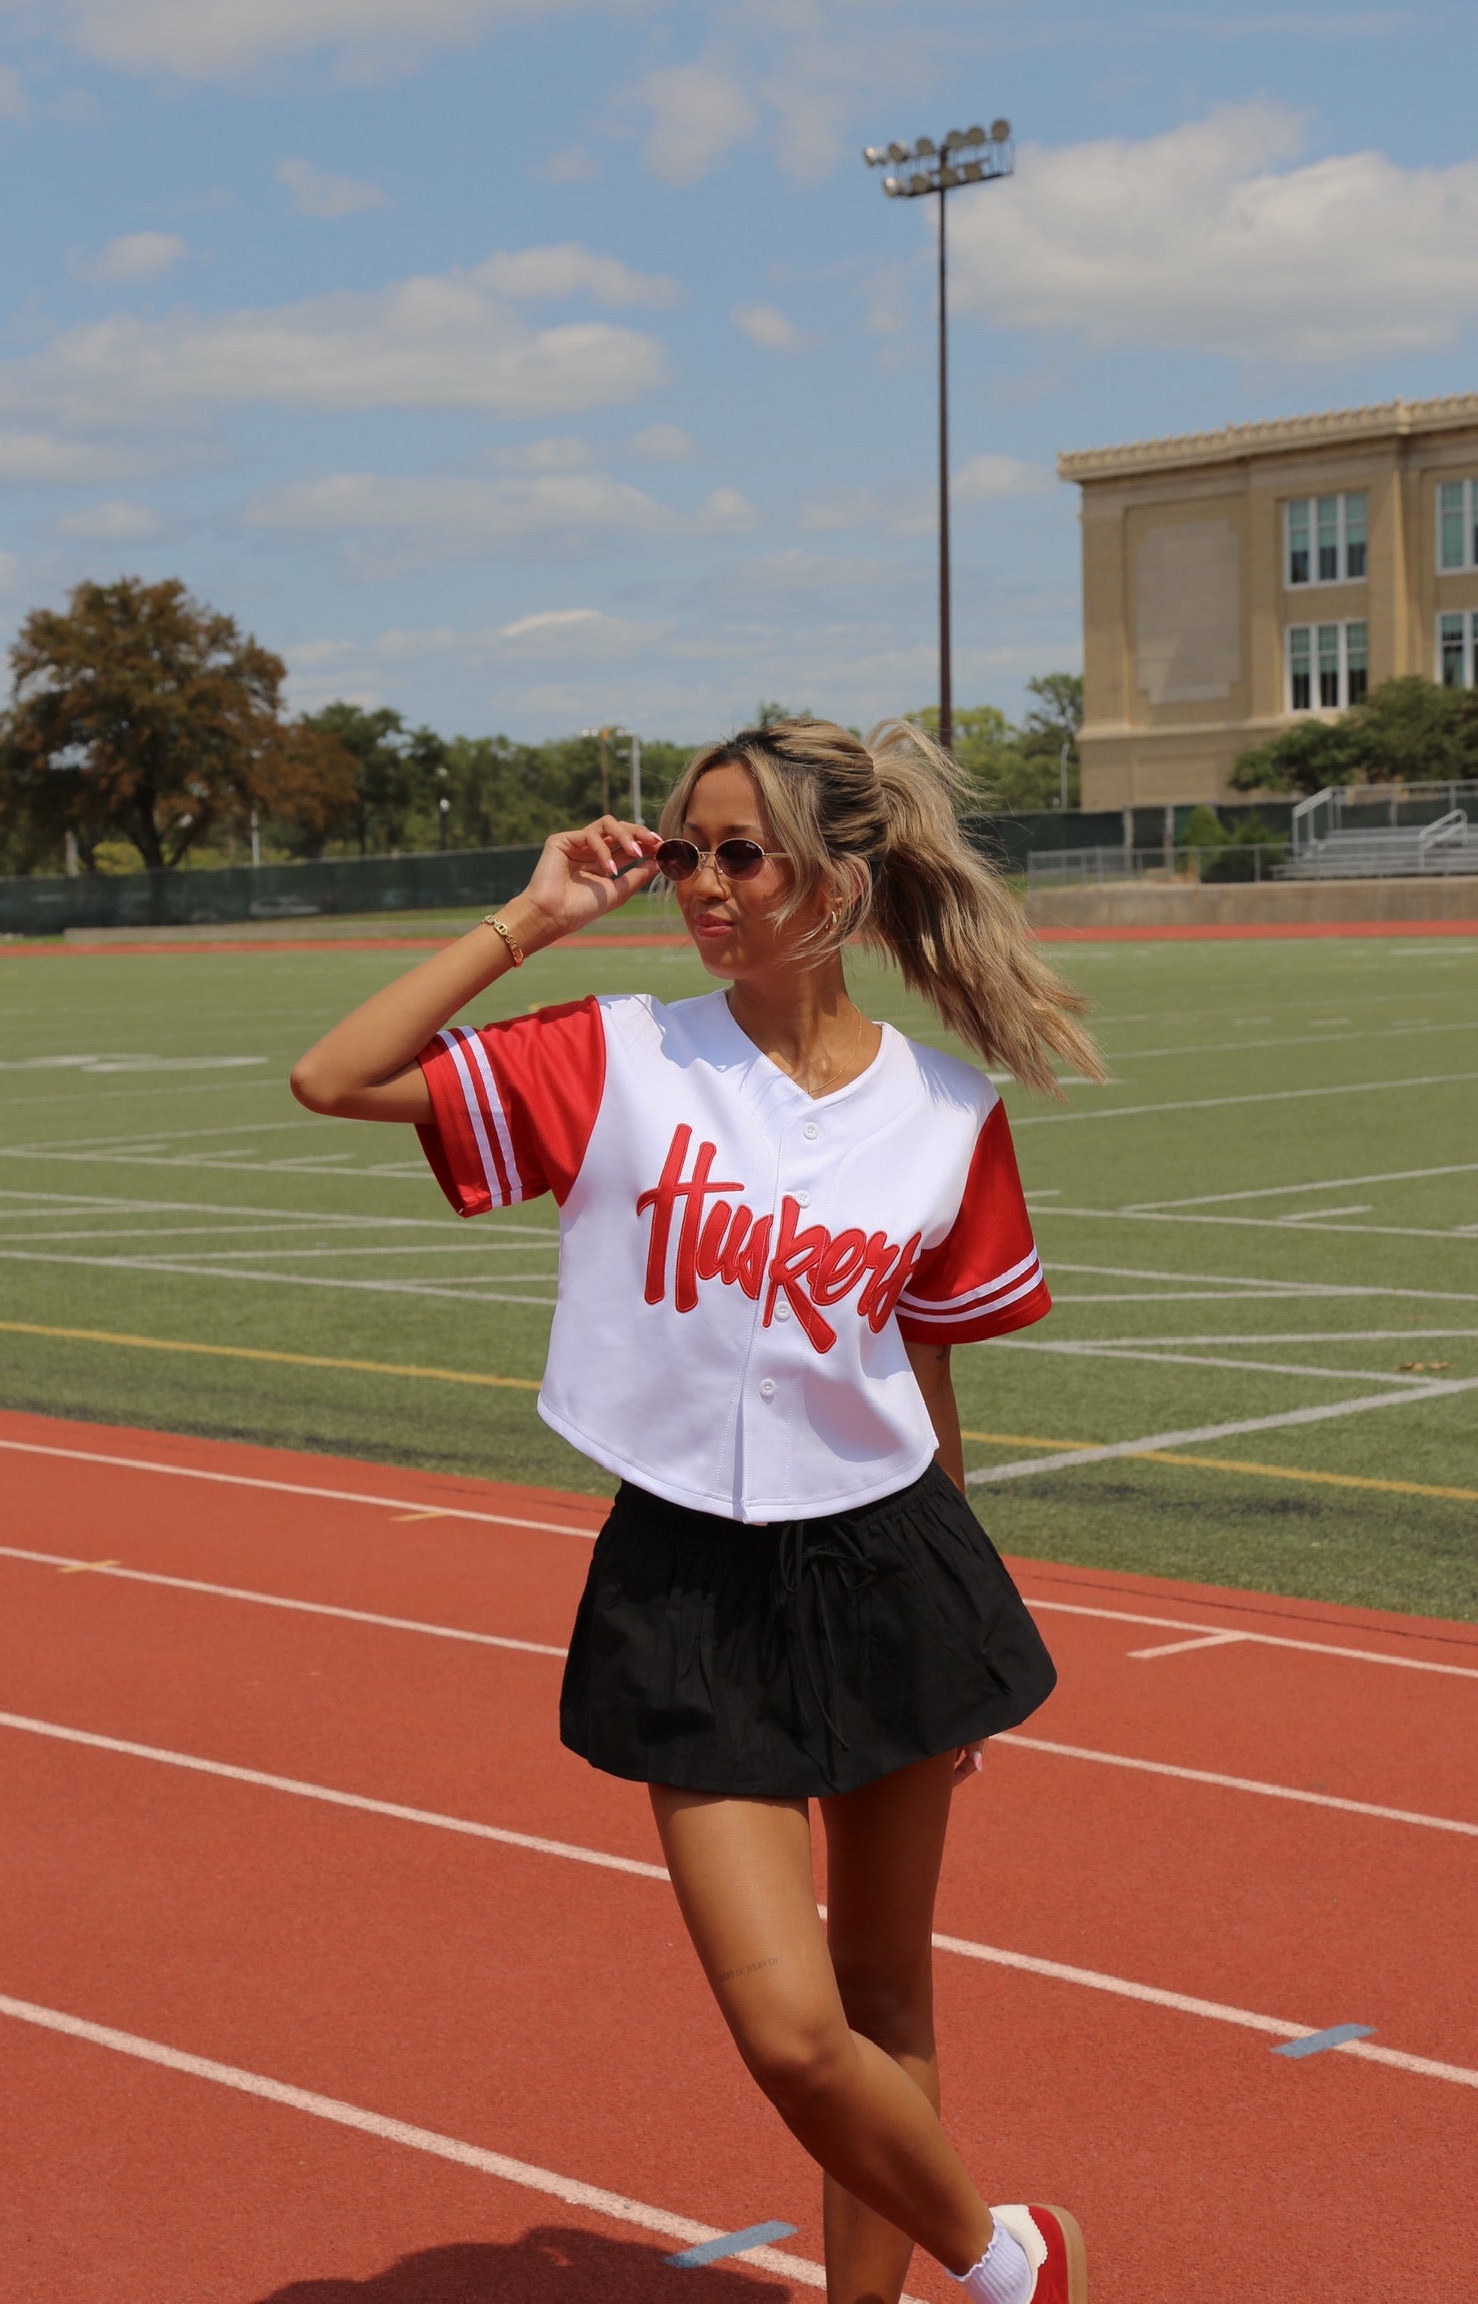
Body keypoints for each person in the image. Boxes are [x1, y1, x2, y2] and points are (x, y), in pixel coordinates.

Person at [290, 717, 1102, 2304]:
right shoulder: (619, 1057)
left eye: (742, 853)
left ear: (837, 881)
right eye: (688, 850)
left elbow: (925, 1372)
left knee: (884, 1999)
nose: (703, 883)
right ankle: (1011, 2261)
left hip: (894, 1564)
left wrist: (964, 1614)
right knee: (793, 2033)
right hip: (684, 1575)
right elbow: (338, 1077)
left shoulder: (944, 1116)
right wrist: (532, 917)